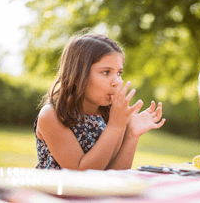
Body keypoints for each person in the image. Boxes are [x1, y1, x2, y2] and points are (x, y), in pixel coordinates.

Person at [34, 33, 165, 170]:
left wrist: (132, 134)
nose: (117, 81)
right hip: (53, 191)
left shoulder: (110, 115)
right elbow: (81, 175)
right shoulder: (52, 115)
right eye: (106, 72)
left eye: (119, 73)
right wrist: (115, 126)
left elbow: (114, 175)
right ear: (79, 75)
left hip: (97, 192)